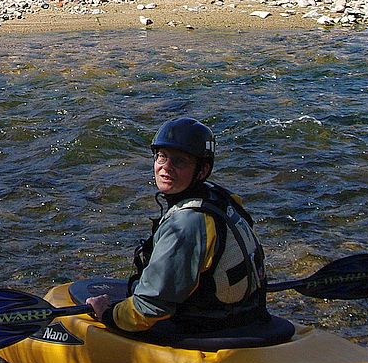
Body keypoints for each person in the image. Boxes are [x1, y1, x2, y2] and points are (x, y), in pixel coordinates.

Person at [84, 117, 269, 338]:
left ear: (202, 170)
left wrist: (107, 314)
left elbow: (150, 308)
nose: (165, 168)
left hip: (209, 328)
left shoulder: (187, 224)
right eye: (162, 157)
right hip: (246, 314)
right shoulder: (220, 196)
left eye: (179, 161)